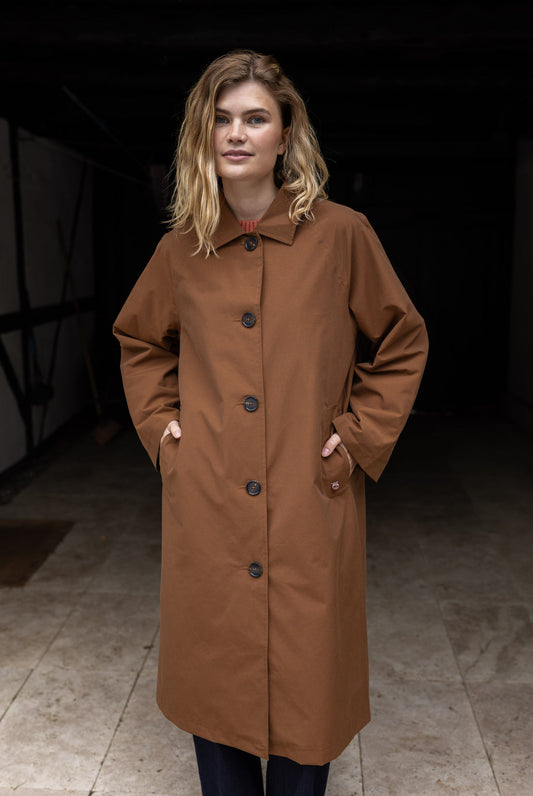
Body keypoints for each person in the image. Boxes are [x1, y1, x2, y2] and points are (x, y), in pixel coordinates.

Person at [113, 49, 428, 796]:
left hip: (308, 503)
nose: (236, 134)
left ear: (285, 134)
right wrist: (164, 433)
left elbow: (402, 338)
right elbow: (139, 341)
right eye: (221, 119)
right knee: (216, 691)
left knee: (308, 693)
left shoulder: (341, 234)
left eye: (255, 118)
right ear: (203, 134)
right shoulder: (179, 250)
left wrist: (356, 437)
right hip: (209, 507)